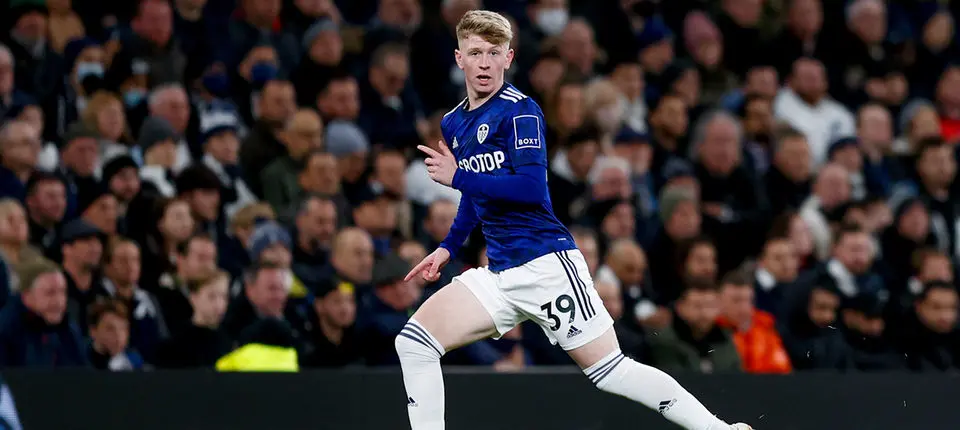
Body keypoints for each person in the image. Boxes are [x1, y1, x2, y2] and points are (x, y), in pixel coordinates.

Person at [399, 10, 752, 430]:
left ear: (509, 57)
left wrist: (458, 176)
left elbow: (530, 188)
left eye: (494, 53)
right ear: (459, 58)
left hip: (546, 265)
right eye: (475, 53)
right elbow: (478, 195)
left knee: (611, 371)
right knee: (415, 342)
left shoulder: (521, 112)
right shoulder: (454, 122)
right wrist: (448, 247)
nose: (485, 63)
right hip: (500, 273)